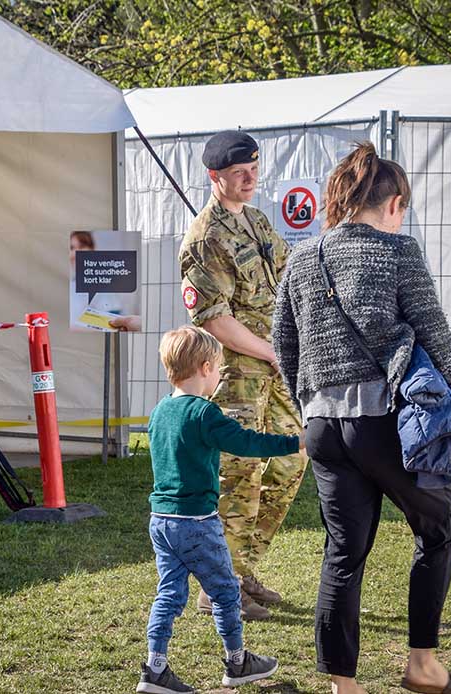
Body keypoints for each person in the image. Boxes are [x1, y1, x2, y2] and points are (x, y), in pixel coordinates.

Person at [271, 142, 451, 694]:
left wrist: (309, 408)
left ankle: (344, 687)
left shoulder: (303, 257)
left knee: (344, 553)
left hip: (323, 424)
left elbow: (283, 343)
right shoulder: (399, 252)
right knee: (439, 526)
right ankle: (423, 665)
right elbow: (435, 337)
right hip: (384, 422)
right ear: (395, 202)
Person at [178, 130, 305, 621]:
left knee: (293, 460)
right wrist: (273, 351)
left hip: (275, 371)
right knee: (239, 476)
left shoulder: (255, 221)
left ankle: (243, 568)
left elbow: (286, 280)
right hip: (236, 378)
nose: (251, 179)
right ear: (215, 177)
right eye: (239, 173)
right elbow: (213, 319)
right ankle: (218, 586)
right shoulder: (205, 238)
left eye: (254, 168)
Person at [139, 325, 299, 694]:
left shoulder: (160, 410)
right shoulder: (203, 413)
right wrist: (297, 442)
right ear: (206, 366)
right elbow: (246, 442)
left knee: (170, 594)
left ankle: (154, 668)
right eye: (220, 369)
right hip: (197, 522)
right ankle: (237, 661)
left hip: (161, 520)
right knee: (225, 592)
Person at [69, 231, 141, 332]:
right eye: (71, 248)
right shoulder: (69, 285)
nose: (76, 253)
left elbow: (112, 325)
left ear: (92, 250)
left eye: (81, 246)